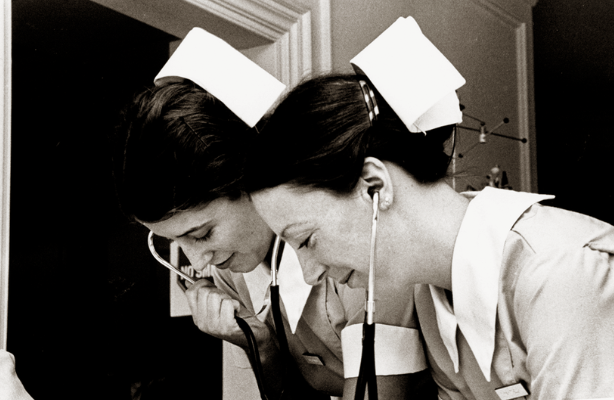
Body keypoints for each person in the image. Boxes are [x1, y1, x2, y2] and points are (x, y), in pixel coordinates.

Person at [245, 17, 614, 400]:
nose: (308, 272)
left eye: (306, 240)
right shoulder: (429, 293)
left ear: (373, 185)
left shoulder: (561, 273)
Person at [112, 27, 434, 399]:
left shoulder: (352, 244)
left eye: (201, 234)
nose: (199, 263)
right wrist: (259, 346)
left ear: (250, 181)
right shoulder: (235, 267)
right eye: (170, 241)